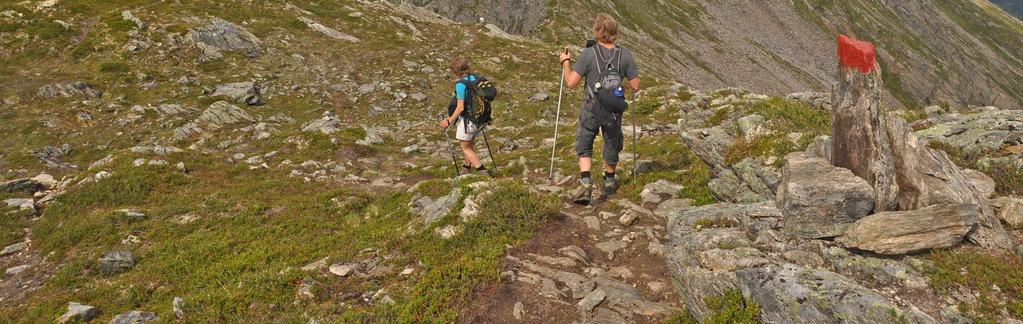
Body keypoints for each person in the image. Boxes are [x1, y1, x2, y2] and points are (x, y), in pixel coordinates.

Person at [559, 14, 640, 205]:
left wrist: (565, 63)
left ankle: (586, 184)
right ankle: (609, 182)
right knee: (612, 142)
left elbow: (570, 83)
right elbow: (636, 84)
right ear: (615, 33)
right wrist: (620, 89)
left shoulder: (589, 54)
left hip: (591, 107)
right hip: (613, 109)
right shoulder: (625, 54)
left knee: (585, 142)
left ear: (597, 31)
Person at [440, 58, 489, 176]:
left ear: (457, 72)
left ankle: (482, 171)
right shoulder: (476, 79)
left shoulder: (461, 84)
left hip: (468, 120)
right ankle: (466, 167)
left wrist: (449, 120)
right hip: (480, 118)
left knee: (465, 147)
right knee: (469, 144)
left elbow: (460, 107)